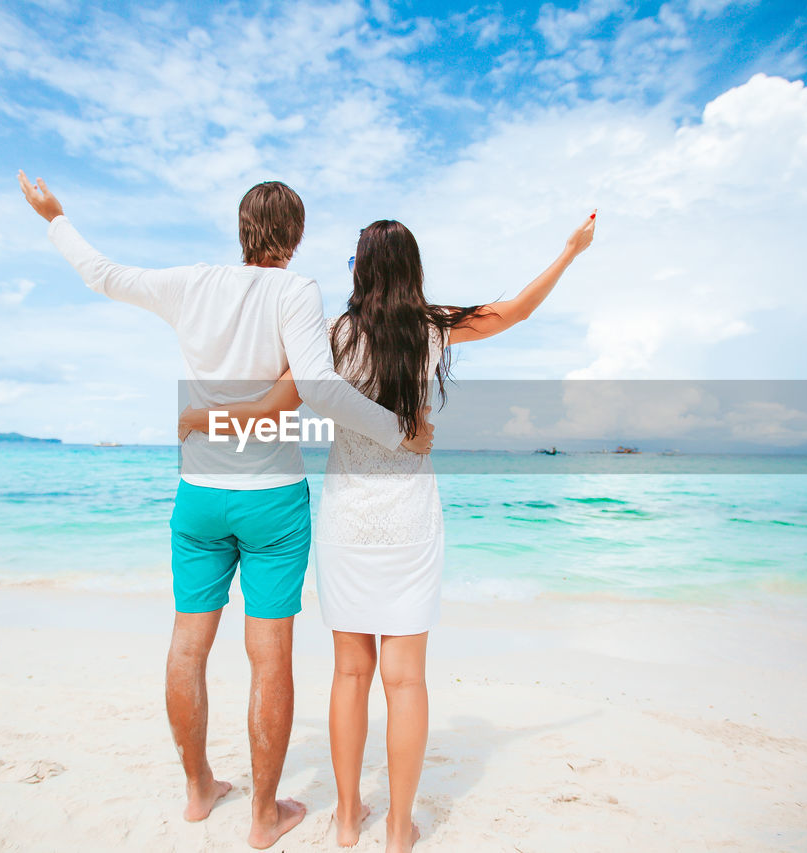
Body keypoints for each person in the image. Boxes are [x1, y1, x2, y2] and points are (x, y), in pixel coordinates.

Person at [17, 172, 434, 850]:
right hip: (271, 499)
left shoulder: (189, 283)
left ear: (241, 230)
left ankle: (197, 789)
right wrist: (398, 430)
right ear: (294, 238)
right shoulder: (296, 291)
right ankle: (265, 816)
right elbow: (319, 387)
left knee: (188, 641)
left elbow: (101, 274)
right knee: (269, 656)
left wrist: (55, 218)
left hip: (200, 493)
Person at [180, 212, 597, 851]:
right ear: (413, 269)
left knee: (350, 672)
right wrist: (569, 252)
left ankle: (347, 820)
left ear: (361, 270)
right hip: (410, 519)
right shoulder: (433, 328)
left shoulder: (332, 334)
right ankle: (399, 830)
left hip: (348, 518)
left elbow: (274, 403)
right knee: (405, 679)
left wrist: (206, 419)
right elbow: (515, 311)